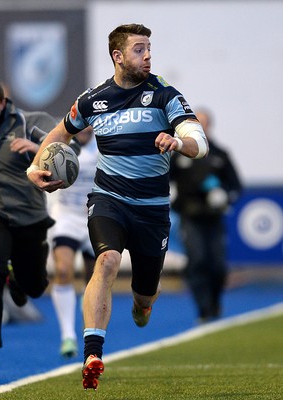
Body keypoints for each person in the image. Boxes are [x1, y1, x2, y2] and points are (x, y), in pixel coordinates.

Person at [26, 23, 209, 390]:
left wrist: (177, 141)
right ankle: (92, 353)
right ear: (118, 56)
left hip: (153, 209)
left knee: (144, 298)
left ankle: (143, 305)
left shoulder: (163, 95)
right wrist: (35, 166)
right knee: (106, 261)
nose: (148, 55)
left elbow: (197, 139)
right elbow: (62, 131)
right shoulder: (94, 99)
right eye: (139, 49)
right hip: (109, 199)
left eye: (149, 48)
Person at [0, 77, 58, 375]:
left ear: (3, 103)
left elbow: (70, 153)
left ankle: (18, 280)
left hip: (29, 217)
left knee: (36, 286)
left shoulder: (30, 122)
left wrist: (39, 148)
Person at [170, 108, 242, 323]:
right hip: (190, 217)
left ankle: (215, 301)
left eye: (204, 123)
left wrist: (226, 197)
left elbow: (236, 185)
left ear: (210, 126)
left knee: (218, 265)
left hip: (214, 217)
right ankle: (202, 309)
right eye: (196, 124)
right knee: (198, 260)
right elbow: (166, 180)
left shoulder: (220, 153)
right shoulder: (180, 153)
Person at [49, 126, 97, 358]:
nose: (87, 128)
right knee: (63, 269)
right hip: (66, 216)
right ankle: (67, 336)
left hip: (94, 217)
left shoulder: (105, 147)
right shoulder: (60, 146)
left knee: (95, 281)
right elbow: (40, 156)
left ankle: (87, 314)